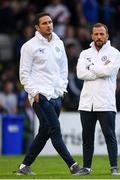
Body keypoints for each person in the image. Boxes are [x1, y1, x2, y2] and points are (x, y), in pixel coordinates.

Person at [16, 12, 80, 175]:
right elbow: (24, 73)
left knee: (44, 132)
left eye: (50, 22)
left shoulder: (58, 42)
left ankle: (24, 167)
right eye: (44, 23)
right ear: (37, 27)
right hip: (41, 95)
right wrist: (34, 92)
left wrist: (62, 88)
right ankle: (73, 166)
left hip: (57, 95)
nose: (49, 25)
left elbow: (63, 68)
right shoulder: (29, 46)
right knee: (55, 129)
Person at [75, 23, 120, 176]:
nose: (98, 37)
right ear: (91, 36)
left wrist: (91, 66)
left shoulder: (114, 53)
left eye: (101, 34)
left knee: (110, 136)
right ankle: (86, 168)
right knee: (87, 138)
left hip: (106, 102)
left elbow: (109, 71)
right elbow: (80, 74)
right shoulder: (84, 53)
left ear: (107, 36)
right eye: (96, 34)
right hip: (87, 102)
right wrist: (99, 69)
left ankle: (114, 167)